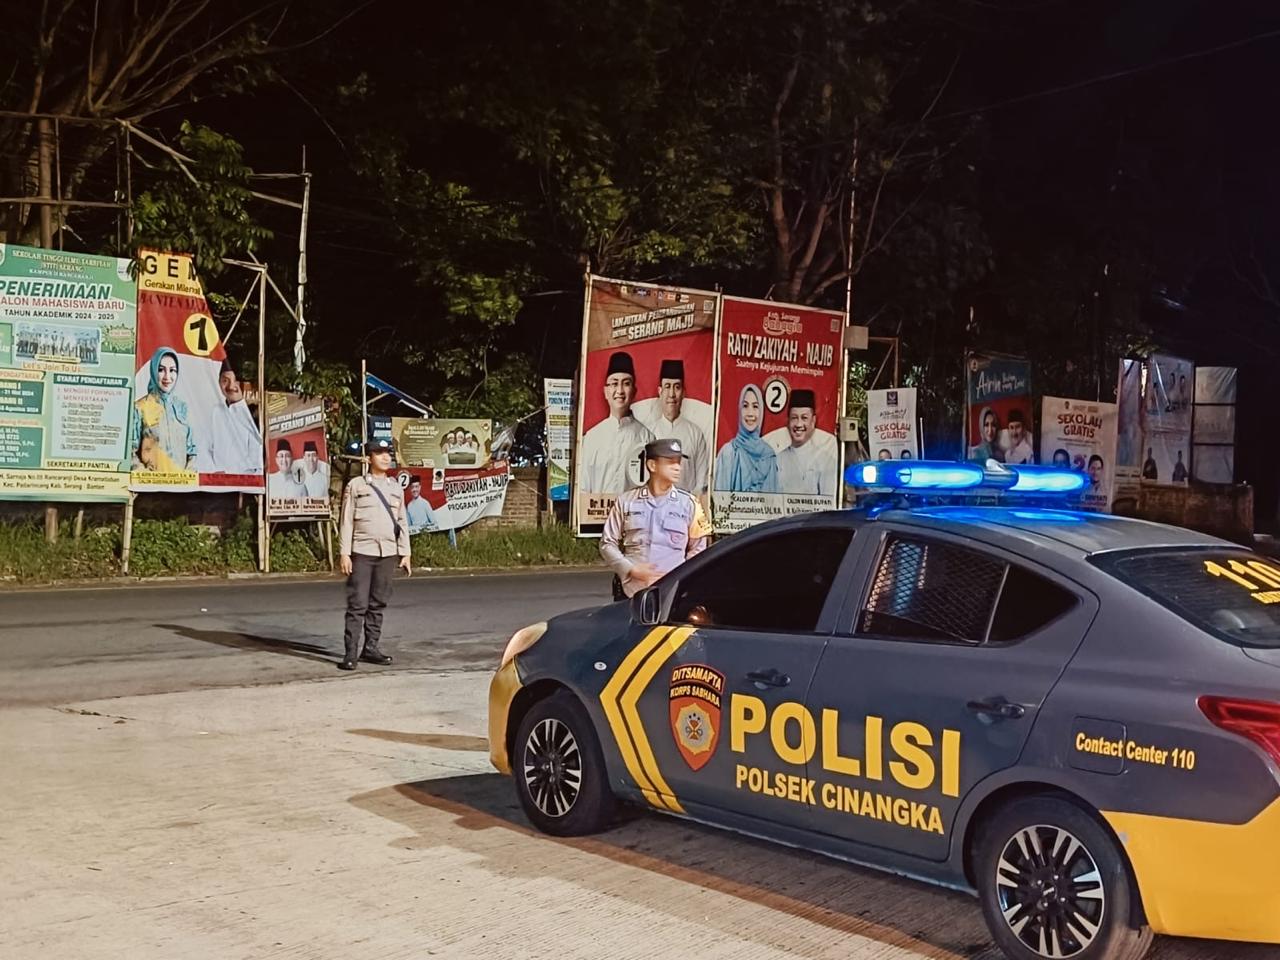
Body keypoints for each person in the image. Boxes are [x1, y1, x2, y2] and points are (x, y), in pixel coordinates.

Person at [600, 438, 713, 599]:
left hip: (672, 594)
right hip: (631, 592)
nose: (678, 467)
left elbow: (698, 549)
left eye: (678, 462)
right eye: (671, 462)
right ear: (652, 465)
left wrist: (681, 578)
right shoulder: (626, 501)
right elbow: (607, 544)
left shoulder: (689, 504)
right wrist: (629, 569)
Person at [338, 438, 412, 670]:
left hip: (388, 552)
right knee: (358, 604)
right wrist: (344, 553)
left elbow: (402, 521)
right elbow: (346, 521)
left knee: (378, 603)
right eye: (379, 453)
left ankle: (370, 648)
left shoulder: (395, 488)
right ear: (369, 458)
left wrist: (405, 552)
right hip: (362, 551)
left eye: (388, 453)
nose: (386, 457)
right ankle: (350, 653)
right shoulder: (357, 485)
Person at [577, 351, 655, 494]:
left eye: (626, 384)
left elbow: (653, 489)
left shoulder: (647, 438)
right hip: (598, 509)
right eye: (614, 384)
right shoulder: (591, 438)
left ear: (634, 391)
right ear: (606, 391)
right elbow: (583, 489)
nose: (620, 390)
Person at [640, 359, 710, 495]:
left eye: (677, 387)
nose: (671, 394)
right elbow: (641, 480)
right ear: (660, 391)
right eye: (667, 387)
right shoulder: (647, 433)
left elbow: (702, 483)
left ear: (683, 393)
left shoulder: (695, 434)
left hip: (685, 506)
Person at [129, 346, 197, 471]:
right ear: (154, 371)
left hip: (181, 482)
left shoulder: (183, 408)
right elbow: (130, 453)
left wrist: (188, 476)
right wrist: (145, 476)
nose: (167, 376)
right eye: (161, 370)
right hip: (150, 482)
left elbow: (192, 452)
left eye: (172, 370)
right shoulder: (140, 408)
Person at [713, 384, 779, 493]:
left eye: (755, 406)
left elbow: (773, 500)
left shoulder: (769, 455)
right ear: (739, 410)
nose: (750, 413)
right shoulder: (728, 452)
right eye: (745, 406)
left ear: (761, 411)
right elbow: (720, 499)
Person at [774, 390, 835, 495]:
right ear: (788, 421)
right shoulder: (778, 460)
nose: (799, 424)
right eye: (794, 418)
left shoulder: (825, 460)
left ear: (813, 421)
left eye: (804, 418)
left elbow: (828, 500)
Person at [208, 359, 264, 474]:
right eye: (225, 380)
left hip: (243, 480)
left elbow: (256, 459)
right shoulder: (215, 412)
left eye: (234, 381)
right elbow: (208, 448)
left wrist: (228, 472)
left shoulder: (252, 413)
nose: (230, 386)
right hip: (216, 480)